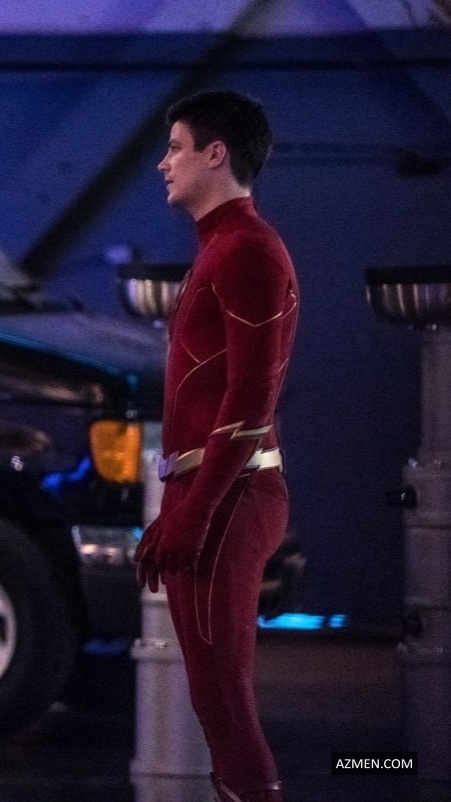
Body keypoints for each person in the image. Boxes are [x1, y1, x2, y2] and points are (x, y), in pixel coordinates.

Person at [134, 89, 299, 802]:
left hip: (229, 496)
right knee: (214, 698)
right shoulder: (226, 248)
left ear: (215, 154)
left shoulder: (247, 251)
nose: (163, 162)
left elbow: (251, 399)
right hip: (213, 490)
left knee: (223, 697)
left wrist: (196, 512)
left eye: (174, 147)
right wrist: (181, 505)